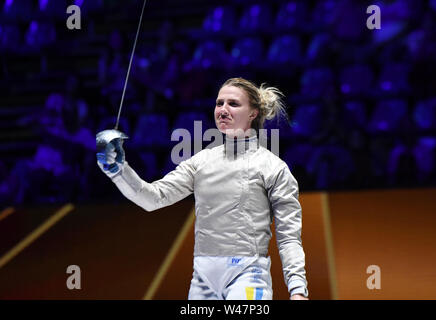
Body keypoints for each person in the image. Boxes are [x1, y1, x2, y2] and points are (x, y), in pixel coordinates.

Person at [96, 77, 308, 300]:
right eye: (219, 103)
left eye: (233, 104)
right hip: (202, 281)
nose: (223, 110)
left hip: (248, 276)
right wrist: (118, 170)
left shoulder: (273, 167)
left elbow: (289, 237)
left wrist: (297, 289)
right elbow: (153, 198)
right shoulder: (201, 162)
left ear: (253, 113)